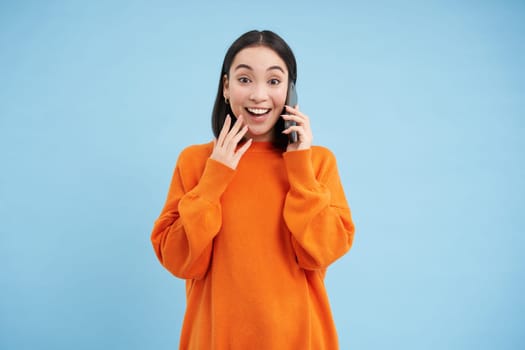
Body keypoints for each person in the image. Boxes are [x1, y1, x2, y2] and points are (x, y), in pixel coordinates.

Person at [150, 29, 355, 350]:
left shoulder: (317, 163)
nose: (259, 95)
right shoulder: (194, 161)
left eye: (274, 81)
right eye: (245, 79)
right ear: (226, 87)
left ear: (290, 91)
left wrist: (299, 166)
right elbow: (180, 261)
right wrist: (214, 177)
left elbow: (321, 252)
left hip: (300, 339)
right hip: (215, 339)